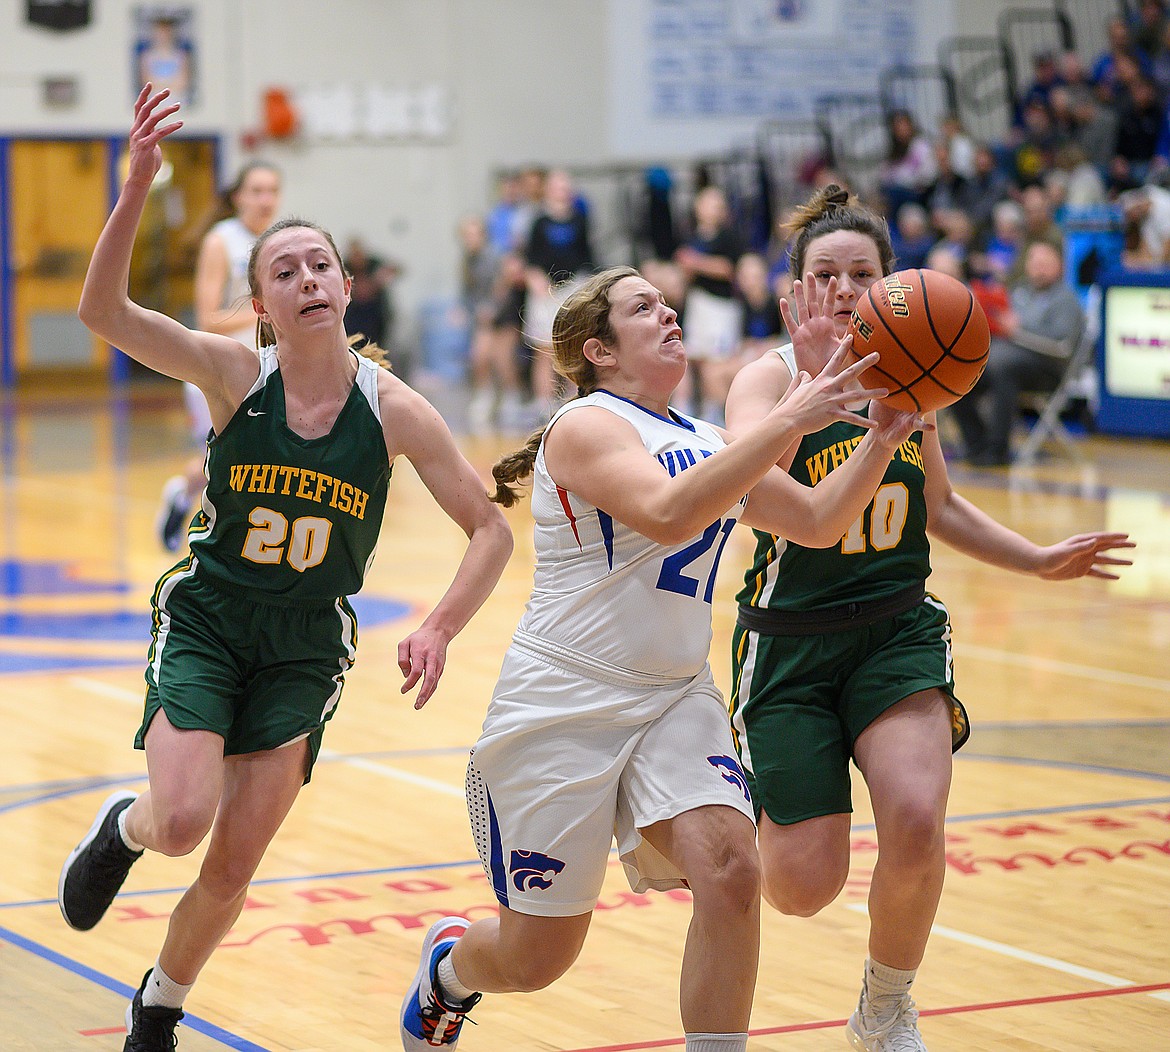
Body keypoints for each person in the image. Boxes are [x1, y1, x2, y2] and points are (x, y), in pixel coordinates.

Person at [59, 87, 514, 1052]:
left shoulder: (396, 411)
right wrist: (137, 185)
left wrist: (437, 626)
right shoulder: (232, 375)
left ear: (346, 289)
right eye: (286, 269)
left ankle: (159, 1005)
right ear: (261, 303)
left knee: (233, 863)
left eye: (323, 264)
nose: (308, 277)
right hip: (214, 618)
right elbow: (101, 310)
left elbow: (489, 529)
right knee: (182, 822)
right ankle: (124, 829)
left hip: (307, 643)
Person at [399, 264, 932, 1052]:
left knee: (731, 871)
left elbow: (818, 521)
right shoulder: (586, 426)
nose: (669, 312)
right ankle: (450, 971)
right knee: (537, 956)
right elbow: (668, 512)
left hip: (676, 698)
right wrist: (789, 416)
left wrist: (883, 436)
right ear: (600, 352)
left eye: (666, 301)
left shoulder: (712, 441)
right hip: (563, 703)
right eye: (642, 307)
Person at [723, 184, 1133, 1052]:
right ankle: (708, 810)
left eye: (861, 274)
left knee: (915, 816)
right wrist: (830, 412)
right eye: (824, 274)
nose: (842, 289)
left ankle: (884, 1008)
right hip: (789, 643)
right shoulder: (763, 382)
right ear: (793, 290)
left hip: (897, 629)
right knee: (801, 887)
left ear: (887, 286)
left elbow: (935, 504)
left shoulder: (914, 366)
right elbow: (799, 514)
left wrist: (1035, 557)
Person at [156, 157, 282, 551]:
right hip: (221, 366)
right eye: (257, 190)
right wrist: (264, 312)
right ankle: (218, 534)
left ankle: (182, 492)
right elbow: (208, 317)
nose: (266, 199)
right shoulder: (221, 241)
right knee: (231, 460)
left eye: (273, 191)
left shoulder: (281, 241)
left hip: (267, 366)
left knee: (252, 458)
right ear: (239, 197)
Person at [951, 240, 1086, 466]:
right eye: (1035, 262)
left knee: (1003, 367)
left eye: (1045, 263)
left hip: (1048, 369)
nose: (1039, 267)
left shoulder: (1066, 299)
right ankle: (975, 443)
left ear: (1059, 267)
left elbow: (1061, 345)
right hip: (1007, 360)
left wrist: (1019, 331)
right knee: (960, 368)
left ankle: (997, 450)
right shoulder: (1020, 290)